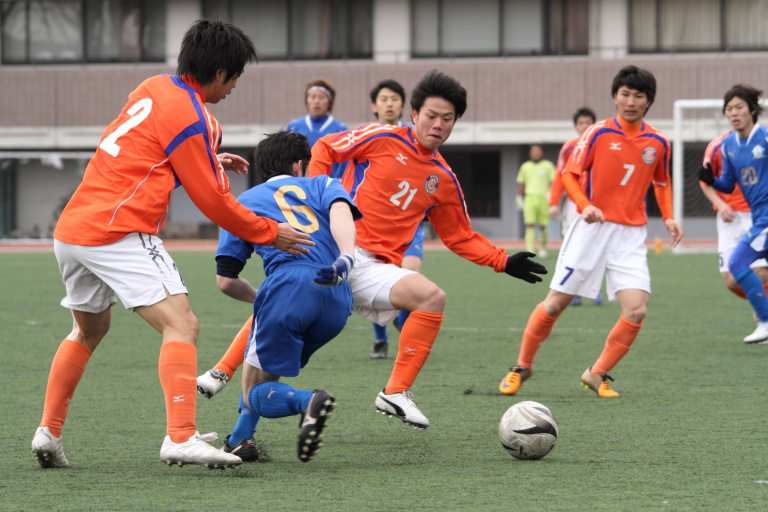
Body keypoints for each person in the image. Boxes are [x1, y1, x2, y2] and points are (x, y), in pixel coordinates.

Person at [30, 19, 313, 470]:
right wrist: (268, 230)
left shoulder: (155, 86)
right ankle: (180, 436)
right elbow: (214, 202)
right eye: (236, 75)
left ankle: (48, 431)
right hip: (118, 230)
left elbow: (143, 155)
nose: (236, 85)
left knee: (88, 330)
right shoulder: (193, 114)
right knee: (182, 324)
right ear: (220, 72)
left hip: (74, 231)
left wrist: (202, 158)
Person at [309, 69, 547, 429]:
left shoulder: (444, 179)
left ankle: (395, 392)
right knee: (283, 324)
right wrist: (316, 199)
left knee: (431, 297)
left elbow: (459, 236)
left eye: (447, 119)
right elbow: (326, 147)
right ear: (415, 114)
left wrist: (503, 261)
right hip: (335, 248)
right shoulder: (383, 136)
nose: (438, 124)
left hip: (375, 269)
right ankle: (223, 374)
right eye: (431, 116)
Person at [499, 65, 683, 398]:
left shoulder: (658, 142)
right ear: (615, 96)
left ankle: (597, 372)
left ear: (648, 101)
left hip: (630, 235)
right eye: (624, 94)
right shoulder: (597, 133)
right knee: (555, 304)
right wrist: (584, 205)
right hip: (591, 229)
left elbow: (662, 183)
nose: (630, 101)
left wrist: (669, 217)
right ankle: (522, 366)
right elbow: (570, 173)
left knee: (637, 309)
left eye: (638, 96)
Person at [213, 130, 360, 463]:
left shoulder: (246, 201)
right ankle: (240, 439)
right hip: (337, 296)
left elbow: (225, 280)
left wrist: (260, 301)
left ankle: (307, 402)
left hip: (288, 288)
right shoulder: (324, 183)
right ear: (299, 165)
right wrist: (346, 256)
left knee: (255, 390)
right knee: (266, 368)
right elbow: (341, 213)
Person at [698, 84, 768, 343]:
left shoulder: (766, 138)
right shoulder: (727, 146)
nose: (733, 113)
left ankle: (764, 319)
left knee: (742, 264)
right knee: (734, 273)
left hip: (763, 217)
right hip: (756, 218)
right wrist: (712, 181)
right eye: (728, 109)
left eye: (739, 107)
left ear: (752, 109)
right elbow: (727, 183)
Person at [367, 79, 425, 359]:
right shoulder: (364, 137)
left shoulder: (417, 138)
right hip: (373, 224)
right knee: (372, 281)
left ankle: (405, 327)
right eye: (384, 99)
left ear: (404, 105)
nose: (389, 104)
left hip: (410, 224)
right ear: (374, 105)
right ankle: (380, 338)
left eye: (394, 99)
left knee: (409, 277)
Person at [549, 107, 603, 306]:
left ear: (594, 125)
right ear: (576, 126)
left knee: (596, 246)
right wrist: (554, 203)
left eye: (588, 122)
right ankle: (571, 291)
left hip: (597, 204)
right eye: (580, 123)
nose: (584, 126)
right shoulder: (569, 148)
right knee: (572, 247)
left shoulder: (602, 146)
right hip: (574, 205)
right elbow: (560, 176)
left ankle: (593, 290)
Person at [286, 78, 348, 179]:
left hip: (329, 186)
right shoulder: (294, 127)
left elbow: (344, 165)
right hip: (301, 186)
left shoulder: (340, 129)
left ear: (329, 101)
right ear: (307, 100)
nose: (317, 101)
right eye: (313, 97)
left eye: (321, 97)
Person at [516, 144, 556, 258]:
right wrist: (519, 197)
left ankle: (543, 248)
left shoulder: (548, 165)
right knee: (530, 224)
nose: (535, 153)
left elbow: (554, 182)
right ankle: (530, 249)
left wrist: (551, 194)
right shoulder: (525, 166)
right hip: (530, 197)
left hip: (544, 198)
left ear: (542, 152)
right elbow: (521, 182)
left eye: (537, 151)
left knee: (543, 225)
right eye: (533, 151)